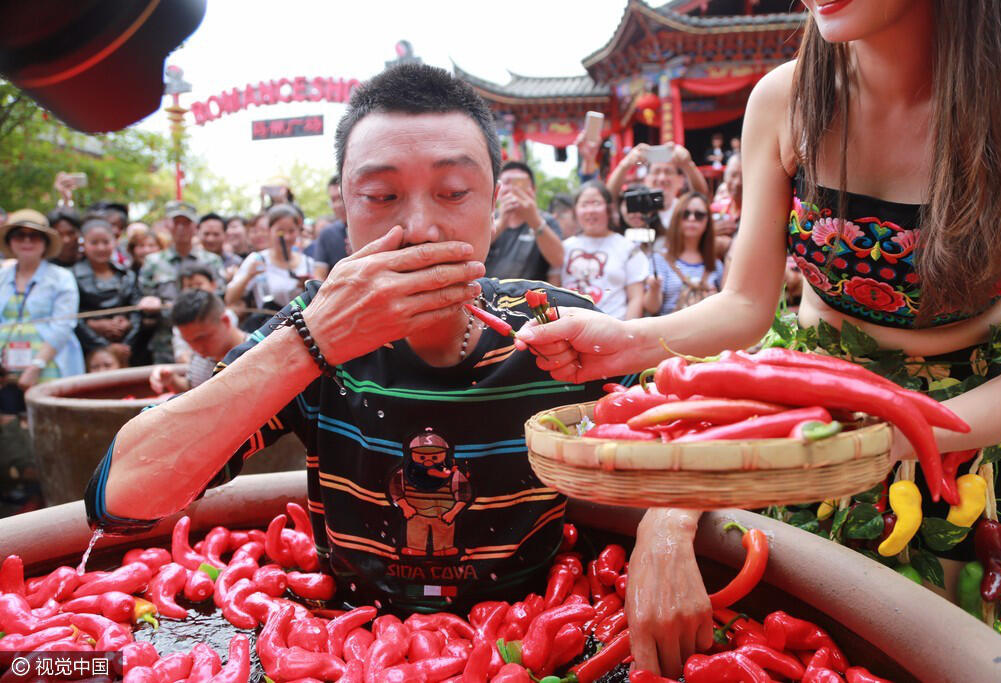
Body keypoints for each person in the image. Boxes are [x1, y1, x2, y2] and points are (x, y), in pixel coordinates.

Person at [515, 0, 1001, 673]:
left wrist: (881, 432)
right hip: (789, 423)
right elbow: (746, 304)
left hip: (961, 446)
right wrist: (628, 338)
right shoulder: (784, 98)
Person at [85, 62, 627, 618]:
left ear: (493, 209)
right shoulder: (313, 325)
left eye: (454, 191)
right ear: (344, 216)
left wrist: (670, 524)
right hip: (355, 637)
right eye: (380, 196)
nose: (420, 228)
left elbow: (688, 419)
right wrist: (308, 345)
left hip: (533, 632)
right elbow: (120, 499)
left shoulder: (553, 324)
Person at [0, 210, 84, 415]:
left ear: (45, 243)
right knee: (9, 430)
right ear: (11, 241)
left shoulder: (61, 278)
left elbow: (62, 326)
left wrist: (36, 366)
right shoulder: (2, 276)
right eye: (20, 235)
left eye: (34, 236)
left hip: (50, 368)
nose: (27, 241)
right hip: (5, 371)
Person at [137, 201, 224, 364]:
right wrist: (149, 306)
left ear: (195, 227)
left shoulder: (211, 261)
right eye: (176, 223)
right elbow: (144, 296)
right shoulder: (153, 262)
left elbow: (219, 297)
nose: (181, 228)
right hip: (165, 343)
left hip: (206, 341)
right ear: (167, 226)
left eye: (186, 223)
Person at [561, 181, 649, 320]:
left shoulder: (627, 248)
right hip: (570, 330)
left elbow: (636, 298)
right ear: (575, 210)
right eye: (584, 204)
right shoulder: (563, 248)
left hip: (613, 330)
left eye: (596, 203)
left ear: (609, 208)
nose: (590, 210)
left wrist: (626, 334)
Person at [150, 289, 246, 394]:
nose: (197, 348)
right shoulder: (201, 355)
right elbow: (193, 388)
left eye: (201, 338)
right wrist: (172, 380)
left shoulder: (255, 352)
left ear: (225, 321)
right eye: (188, 341)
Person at [71, 218, 140, 361]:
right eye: (94, 243)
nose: (101, 248)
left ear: (114, 242)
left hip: (126, 351)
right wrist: (104, 346)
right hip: (87, 354)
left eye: (106, 242)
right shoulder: (71, 277)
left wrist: (126, 333)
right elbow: (73, 318)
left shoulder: (127, 276)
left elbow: (137, 313)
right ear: (83, 244)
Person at [644, 193, 723, 317]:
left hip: (706, 332)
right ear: (676, 218)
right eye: (686, 214)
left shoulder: (715, 265)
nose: (692, 219)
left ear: (708, 221)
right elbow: (652, 308)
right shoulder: (660, 259)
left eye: (699, 215)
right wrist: (654, 289)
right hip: (669, 332)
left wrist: (714, 300)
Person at [484, 161, 564, 282]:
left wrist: (534, 220)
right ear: (497, 190)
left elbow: (558, 259)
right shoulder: (487, 217)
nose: (512, 189)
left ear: (533, 190)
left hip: (532, 297)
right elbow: (472, 253)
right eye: (506, 183)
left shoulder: (546, 220)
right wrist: (502, 222)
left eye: (520, 183)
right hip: (488, 296)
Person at [226, 203, 315, 311]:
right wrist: (248, 276)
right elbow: (230, 298)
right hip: (271, 324)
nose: (286, 237)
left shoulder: (307, 263)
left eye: (291, 231)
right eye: (280, 231)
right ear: (269, 231)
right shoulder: (257, 260)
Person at [605, 143, 709, 233]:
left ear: (681, 181)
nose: (662, 178)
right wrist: (625, 164)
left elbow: (702, 197)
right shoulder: (637, 206)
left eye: (668, 172)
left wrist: (687, 165)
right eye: (656, 172)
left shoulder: (684, 210)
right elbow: (609, 198)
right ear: (645, 179)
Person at [310, 175, 350, 280]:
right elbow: (319, 276)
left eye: (341, 198)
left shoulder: (373, 227)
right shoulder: (327, 234)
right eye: (333, 200)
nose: (337, 205)